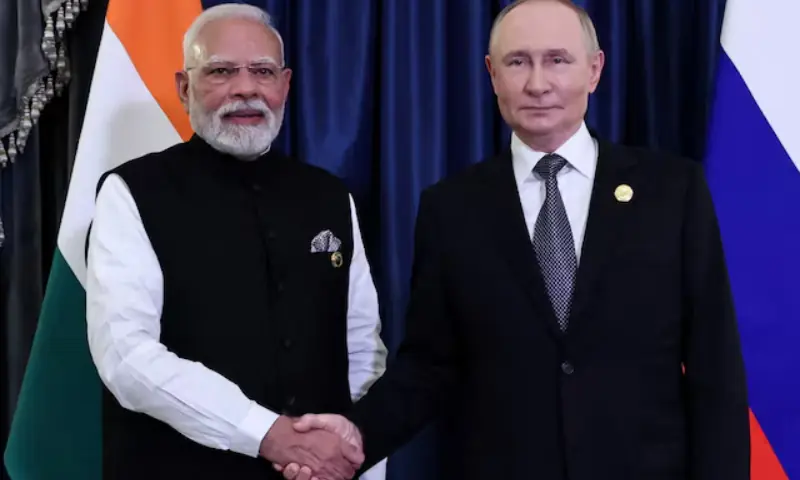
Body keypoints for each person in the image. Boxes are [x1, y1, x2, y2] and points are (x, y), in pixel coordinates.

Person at [273, 0, 751, 479]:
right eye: (517, 62)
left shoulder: (672, 191)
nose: (537, 83)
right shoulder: (451, 208)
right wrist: (357, 436)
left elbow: (715, 368)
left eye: (557, 60)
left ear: (594, 69)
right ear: (492, 74)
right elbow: (428, 366)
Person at [85, 4, 387, 480]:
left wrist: (353, 456)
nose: (245, 88)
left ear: (284, 86)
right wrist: (265, 432)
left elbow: (362, 350)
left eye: (262, 72)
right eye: (221, 71)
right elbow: (127, 355)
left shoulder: (330, 196)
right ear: (185, 88)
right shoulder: (131, 192)